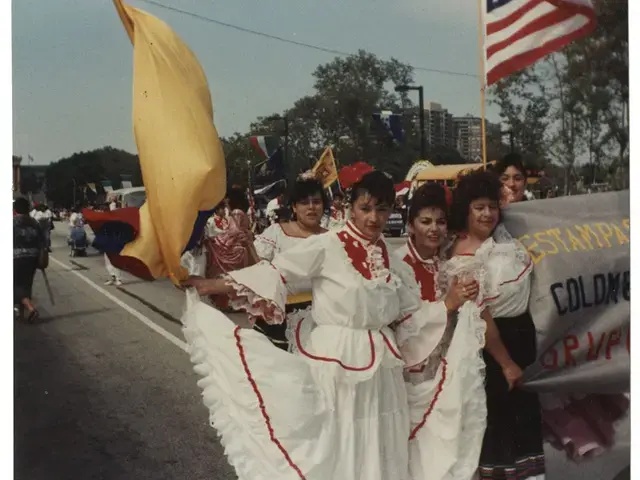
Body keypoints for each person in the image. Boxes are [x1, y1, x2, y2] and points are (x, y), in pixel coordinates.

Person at [180, 171, 449, 480]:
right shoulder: (328, 245)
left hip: (382, 369)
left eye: (383, 209)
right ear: (350, 207)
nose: (374, 218)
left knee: (378, 439)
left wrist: (449, 307)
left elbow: (410, 311)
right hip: (337, 361)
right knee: (337, 439)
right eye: (366, 208)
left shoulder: (388, 255)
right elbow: (276, 273)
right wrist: (211, 285)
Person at [447, 170, 541, 480]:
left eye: (491, 206)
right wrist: (507, 364)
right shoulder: (464, 255)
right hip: (496, 351)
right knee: (501, 431)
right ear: (466, 210)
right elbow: (481, 318)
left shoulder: (502, 236)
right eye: (479, 207)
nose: (488, 214)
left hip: (522, 340)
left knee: (525, 430)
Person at [252, 175, 328, 350]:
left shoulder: (332, 239)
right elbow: (258, 268)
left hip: (320, 321)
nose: (311, 207)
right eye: (304, 202)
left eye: (316, 202)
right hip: (279, 320)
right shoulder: (277, 232)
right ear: (294, 206)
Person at [203, 187, 259, 309]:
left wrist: (220, 237)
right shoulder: (238, 212)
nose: (226, 201)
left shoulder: (236, 213)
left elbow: (235, 231)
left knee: (215, 252)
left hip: (236, 244)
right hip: (240, 243)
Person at [14, 197, 45, 322]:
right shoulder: (34, 223)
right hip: (32, 257)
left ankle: (30, 308)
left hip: (15, 257)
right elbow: (42, 242)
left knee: (14, 285)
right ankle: (21, 314)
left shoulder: (11, 222)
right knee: (26, 285)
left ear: (15, 209)